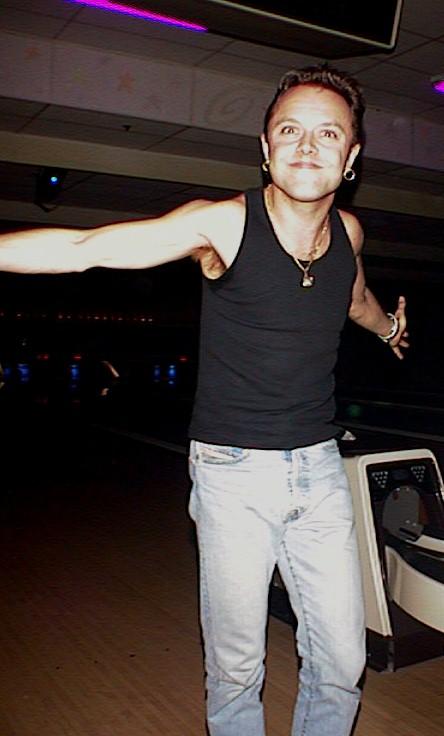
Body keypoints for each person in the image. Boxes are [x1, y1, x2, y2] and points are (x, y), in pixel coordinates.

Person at [0, 65, 408, 735]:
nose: (308, 147)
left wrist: (389, 328)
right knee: (238, 667)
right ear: (266, 148)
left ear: (352, 156)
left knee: (342, 661)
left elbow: (355, 297)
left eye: (328, 133)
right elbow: (82, 248)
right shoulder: (223, 225)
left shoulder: (349, 234)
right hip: (232, 472)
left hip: (319, 470)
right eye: (290, 131)